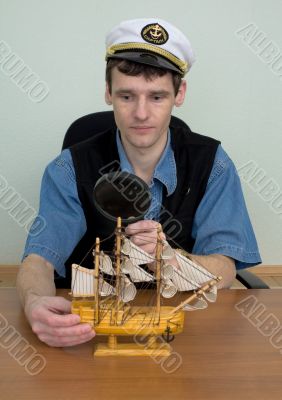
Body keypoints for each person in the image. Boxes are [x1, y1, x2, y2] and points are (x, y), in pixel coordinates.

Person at [17, 18, 261, 347]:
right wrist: (34, 303)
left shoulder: (212, 163)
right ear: (108, 93)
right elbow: (39, 260)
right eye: (127, 96)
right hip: (92, 334)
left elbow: (227, 267)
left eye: (157, 97)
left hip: (184, 334)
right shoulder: (69, 168)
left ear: (180, 93)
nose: (142, 114)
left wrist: (174, 260)